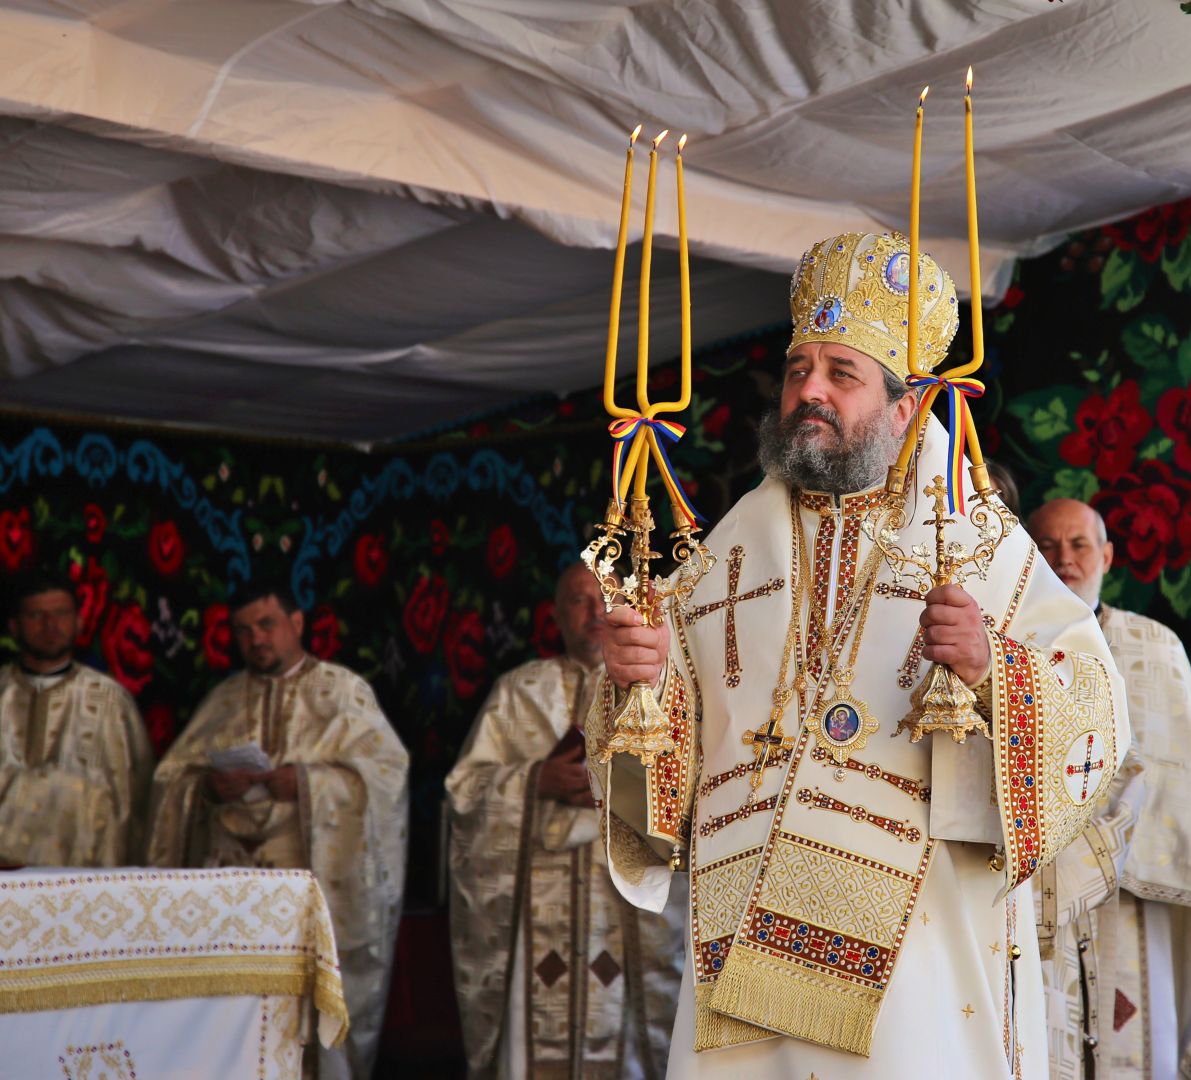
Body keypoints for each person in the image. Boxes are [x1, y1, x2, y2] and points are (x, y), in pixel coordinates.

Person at [590, 230, 1130, 1079]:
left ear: (905, 408)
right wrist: (641, 683)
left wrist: (992, 671)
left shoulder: (979, 543)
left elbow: (1095, 714)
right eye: (798, 370)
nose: (809, 391)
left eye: (842, 374)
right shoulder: (724, 554)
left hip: (915, 953)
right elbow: (667, 762)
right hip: (740, 943)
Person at [1028, 498, 1191, 1080]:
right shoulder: (1005, 642)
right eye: (1048, 546)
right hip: (1040, 894)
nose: (1064, 558)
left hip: (1136, 888)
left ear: (1107, 556)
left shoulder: (1154, 646)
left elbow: (1180, 782)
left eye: (1079, 544)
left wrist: (1112, 839)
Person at [146, 581, 408, 1080]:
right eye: (243, 630)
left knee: (305, 1025)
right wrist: (208, 787)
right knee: (235, 1028)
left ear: (297, 623)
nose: (256, 639)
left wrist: (307, 783)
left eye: (266, 624)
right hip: (230, 903)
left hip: (308, 898)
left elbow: (385, 777)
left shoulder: (343, 692)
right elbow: (171, 780)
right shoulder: (223, 699)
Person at [446, 562, 684, 1080]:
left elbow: (685, 788)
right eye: (579, 600)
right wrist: (534, 782)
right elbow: (464, 792)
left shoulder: (660, 689)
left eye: (606, 596)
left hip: (623, 907)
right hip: (535, 909)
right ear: (556, 615)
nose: (595, 610)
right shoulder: (517, 692)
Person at [0, 569, 152, 866]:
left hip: (85, 872)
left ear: (79, 622)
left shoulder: (111, 700)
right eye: (36, 615)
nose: (50, 625)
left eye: (61, 614)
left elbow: (137, 800)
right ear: (14, 626)